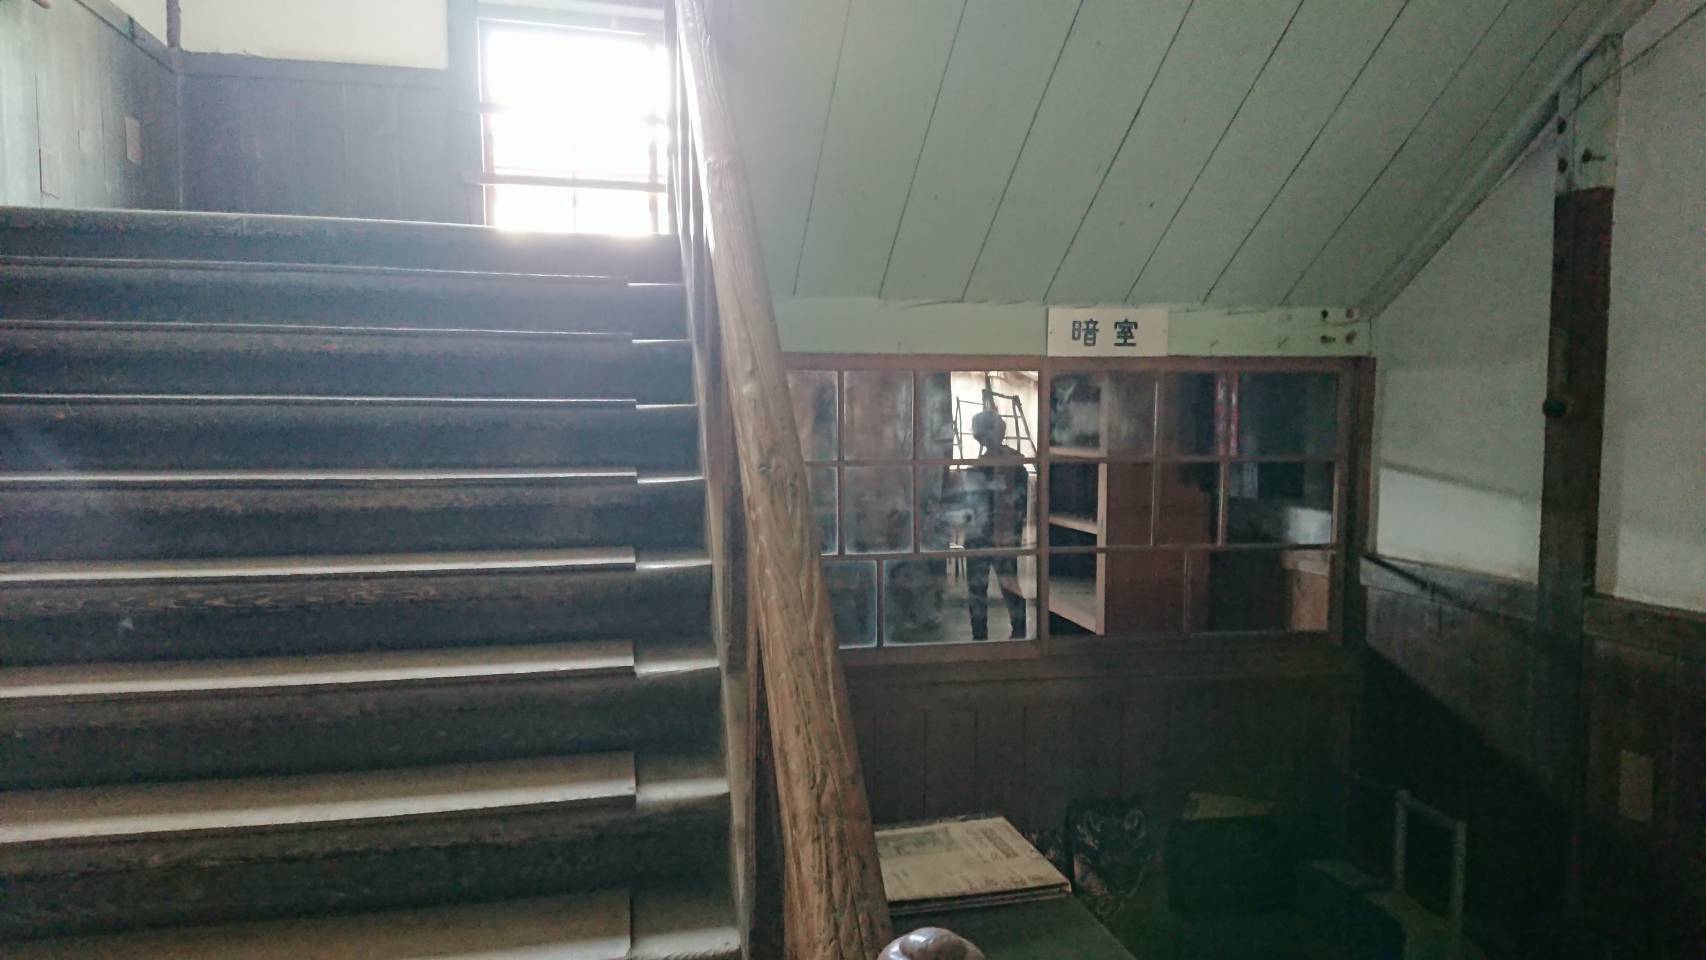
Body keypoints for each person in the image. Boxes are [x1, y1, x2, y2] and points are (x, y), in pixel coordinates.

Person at [962, 410, 1029, 640]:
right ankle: (1017, 631)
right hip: (1002, 535)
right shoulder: (1016, 464)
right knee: (1006, 584)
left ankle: (981, 637)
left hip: (987, 535)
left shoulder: (983, 466)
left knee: (980, 588)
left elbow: (972, 503)